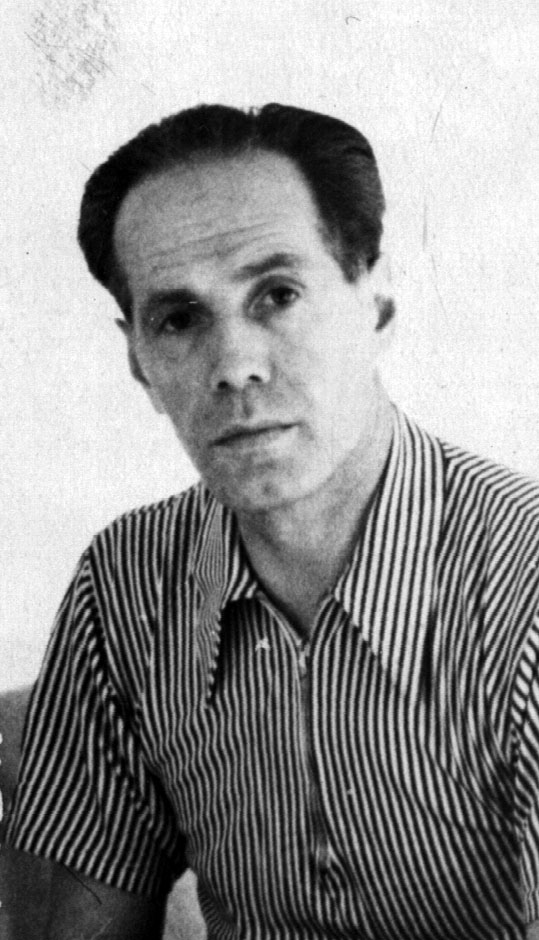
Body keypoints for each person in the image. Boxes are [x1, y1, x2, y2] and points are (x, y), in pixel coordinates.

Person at [4, 103, 539, 940]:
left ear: (376, 304)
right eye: (179, 319)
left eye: (278, 295)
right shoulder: (124, 586)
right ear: (138, 363)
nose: (234, 366)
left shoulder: (522, 580)